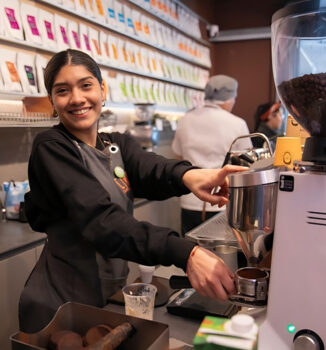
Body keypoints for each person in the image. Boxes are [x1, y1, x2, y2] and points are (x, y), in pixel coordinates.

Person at [19, 49, 248, 333]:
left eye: (86, 85)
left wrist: (191, 175)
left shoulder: (115, 145)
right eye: (62, 90)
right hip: (59, 307)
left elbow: (153, 169)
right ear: (53, 100)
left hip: (104, 298)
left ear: (103, 89)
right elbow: (102, 222)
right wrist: (186, 253)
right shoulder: (51, 147)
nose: (77, 98)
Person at [172, 75, 252, 235]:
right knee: (219, 254)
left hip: (190, 197)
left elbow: (178, 157)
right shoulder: (237, 123)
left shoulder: (185, 120)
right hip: (221, 201)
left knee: (191, 251)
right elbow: (246, 164)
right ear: (228, 99)